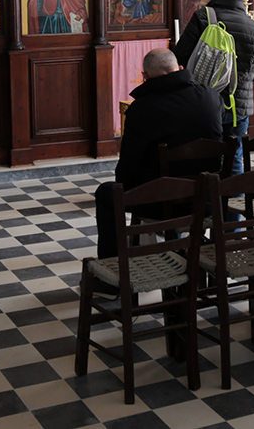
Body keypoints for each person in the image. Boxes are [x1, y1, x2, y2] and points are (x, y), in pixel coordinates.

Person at [93, 48, 222, 291]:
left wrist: (130, 189)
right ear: (180, 69)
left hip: (163, 202)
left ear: (146, 76)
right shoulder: (211, 96)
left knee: (106, 193)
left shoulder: (142, 108)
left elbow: (128, 169)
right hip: (206, 200)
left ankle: (110, 279)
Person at [174, 0, 254, 174]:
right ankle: (235, 203)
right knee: (235, 156)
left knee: (203, 156)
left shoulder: (204, 17)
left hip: (203, 101)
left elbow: (180, 56)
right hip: (238, 106)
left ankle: (206, 203)